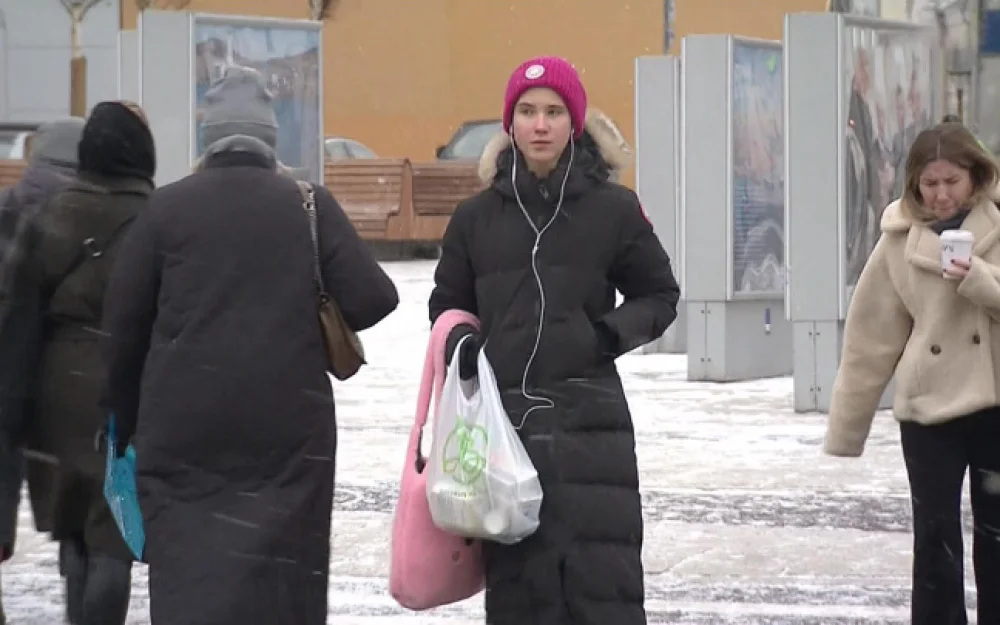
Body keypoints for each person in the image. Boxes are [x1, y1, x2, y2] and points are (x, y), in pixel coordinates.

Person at [99, 127, 399, 622]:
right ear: (270, 154)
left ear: (206, 154)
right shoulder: (306, 204)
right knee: (285, 573)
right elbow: (375, 299)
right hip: (287, 423)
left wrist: (122, 420)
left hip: (183, 424)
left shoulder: (165, 209)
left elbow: (122, 330)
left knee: (187, 565)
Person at [429, 56, 680, 625]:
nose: (540, 125)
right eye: (526, 111)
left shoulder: (613, 209)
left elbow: (659, 295)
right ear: (509, 124)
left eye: (553, 112)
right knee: (522, 595)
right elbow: (447, 307)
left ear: (574, 123)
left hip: (594, 433)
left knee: (602, 592)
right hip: (505, 432)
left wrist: (602, 338)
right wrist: (463, 347)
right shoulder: (475, 218)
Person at [825, 122, 1000, 625]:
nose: (942, 195)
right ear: (914, 184)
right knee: (935, 539)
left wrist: (981, 281)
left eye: (953, 182)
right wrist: (847, 428)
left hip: (994, 409)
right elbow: (870, 340)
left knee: (997, 536)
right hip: (928, 413)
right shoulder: (898, 241)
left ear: (975, 178)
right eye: (930, 183)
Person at [22, 101, 156, 625]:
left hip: (58, 382)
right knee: (112, 531)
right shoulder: (157, 216)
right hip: (129, 378)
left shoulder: (50, 214)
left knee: (72, 520)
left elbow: (20, 311)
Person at [0, 116, 85, 625]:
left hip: (5, 370)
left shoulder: (7, 205)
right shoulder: (90, 209)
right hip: (71, 371)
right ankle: (80, 586)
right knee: (76, 505)